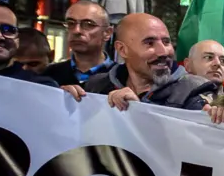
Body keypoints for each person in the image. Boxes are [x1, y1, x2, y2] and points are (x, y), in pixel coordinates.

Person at [84, 13, 215, 111]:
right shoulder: (96, 86)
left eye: (166, 42)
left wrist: (140, 111)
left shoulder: (195, 90)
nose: (163, 52)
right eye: (149, 43)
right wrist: (67, 99)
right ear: (122, 50)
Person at [45, 0, 113, 87]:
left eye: (88, 24)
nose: (76, 31)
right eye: (71, 23)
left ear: (107, 33)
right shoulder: (49, 74)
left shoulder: (120, 76)